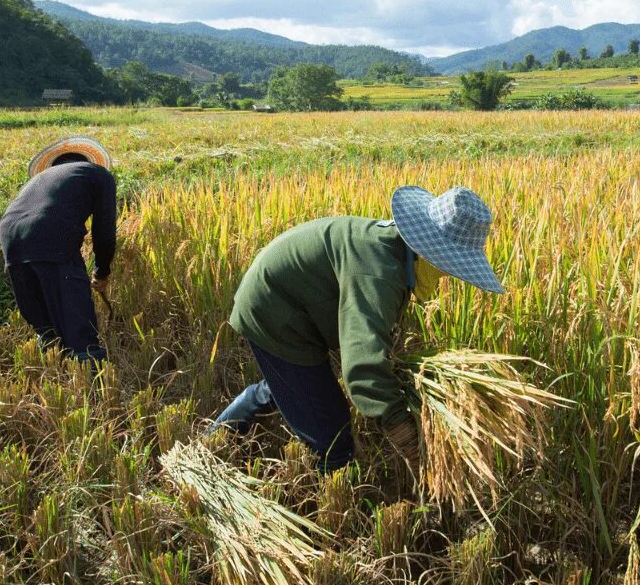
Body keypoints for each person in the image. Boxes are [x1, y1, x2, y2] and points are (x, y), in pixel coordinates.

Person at [212, 185, 505, 473]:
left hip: (290, 302)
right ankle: (321, 504)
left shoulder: (395, 254)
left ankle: (213, 438)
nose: (446, 274)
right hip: (274, 312)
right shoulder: (379, 271)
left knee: (296, 387)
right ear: (431, 252)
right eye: (447, 266)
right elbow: (363, 368)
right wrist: (405, 433)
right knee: (332, 434)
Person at [0, 136, 116, 365]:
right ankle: (92, 390)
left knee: (47, 326)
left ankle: (53, 374)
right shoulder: (97, 174)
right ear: (88, 160)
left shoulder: (38, 181)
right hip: (49, 236)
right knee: (78, 328)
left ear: (55, 166)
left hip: (10, 236)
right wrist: (101, 272)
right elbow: (105, 232)